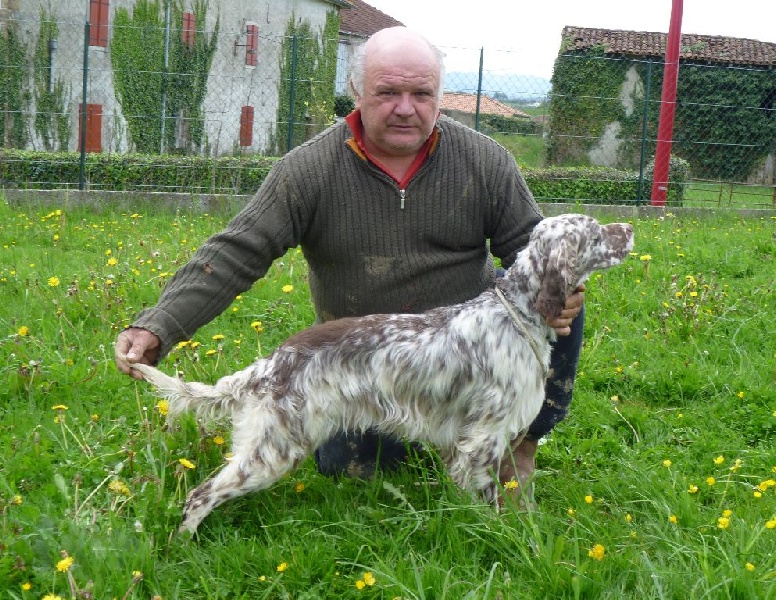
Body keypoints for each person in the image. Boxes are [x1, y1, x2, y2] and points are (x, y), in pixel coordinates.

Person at [115, 26, 585, 506]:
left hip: (469, 355)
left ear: (439, 97)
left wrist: (560, 293)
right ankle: (441, 435)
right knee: (354, 471)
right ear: (357, 92)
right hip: (361, 363)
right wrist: (159, 325)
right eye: (388, 92)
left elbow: (534, 246)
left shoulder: (486, 161)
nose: (406, 108)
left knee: (562, 298)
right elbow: (238, 251)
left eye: (421, 94)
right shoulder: (308, 169)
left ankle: (519, 441)